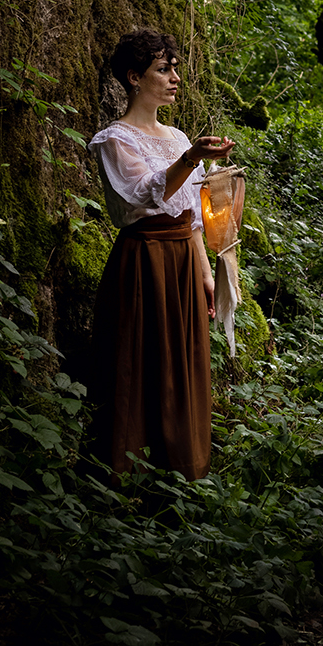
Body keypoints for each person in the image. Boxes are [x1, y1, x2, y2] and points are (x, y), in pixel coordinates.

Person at [88, 29, 234, 480]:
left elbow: (192, 215)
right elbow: (144, 195)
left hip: (182, 260)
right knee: (139, 361)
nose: (174, 78)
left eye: (175, 69)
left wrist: (207, 272)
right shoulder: (114, 140)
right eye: (163, 69)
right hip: (143, 260)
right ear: (134, 78)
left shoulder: (176, 136)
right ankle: (128, 476)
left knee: (185, 361)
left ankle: (181, 468)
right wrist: (190, 158)